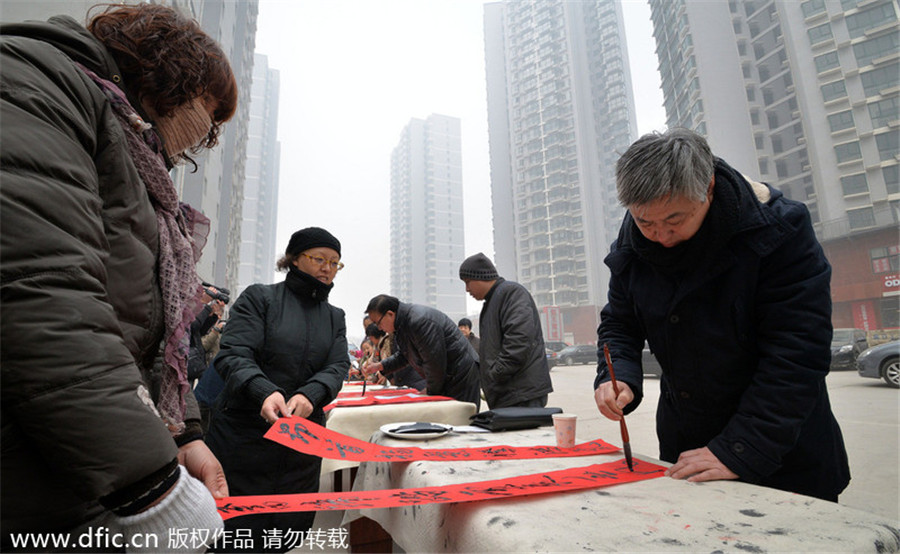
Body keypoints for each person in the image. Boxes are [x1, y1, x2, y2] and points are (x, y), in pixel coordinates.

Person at [1, 3, 236, 548]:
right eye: (209, 110)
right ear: (175, 72)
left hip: (70, 475)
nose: (205, 135)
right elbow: (41, 293)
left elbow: (147, 334)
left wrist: (185, 432)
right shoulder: (36, 81)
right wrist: (150, 485)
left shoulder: (135, 158)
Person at [593, 128, 850, 501]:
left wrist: (740, 448)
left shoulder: (777, 232)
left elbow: (797, 353)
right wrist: (619, 377)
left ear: (708, 189)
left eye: (675, 220)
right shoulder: (632, 247)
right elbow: (619, 322)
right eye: (646, 222)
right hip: (688, 448)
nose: (661, 235)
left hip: (779, 451)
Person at [205, 227, 350, 551]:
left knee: (286, 529)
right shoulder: (260, 299)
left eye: (335, 262)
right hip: (245, 438)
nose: (327, 268)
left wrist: (309, 395)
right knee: (235, 533)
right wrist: (264, 391)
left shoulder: (334, 317)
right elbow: (234, 353)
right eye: (319, 259)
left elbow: (337, 366)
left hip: (301, 442)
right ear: (294, 259)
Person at [459, 253, 553, 409]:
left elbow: (519, 340)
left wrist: (494, 375)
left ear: (481, 276)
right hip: (506, 392)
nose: (467, 289)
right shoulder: (492, 301)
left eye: (468, 282)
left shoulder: (511, 293)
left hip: (521, 394)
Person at [362, 294, 481, 409]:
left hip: (460, 375)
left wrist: (429, 391)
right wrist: (380, 366)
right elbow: (404, 355)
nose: (379, 328)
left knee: (460, 419)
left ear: (390, 314)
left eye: (378, 323)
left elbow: (434, 361)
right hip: (448, 375)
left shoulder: (419, 321)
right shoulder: (402, 325)